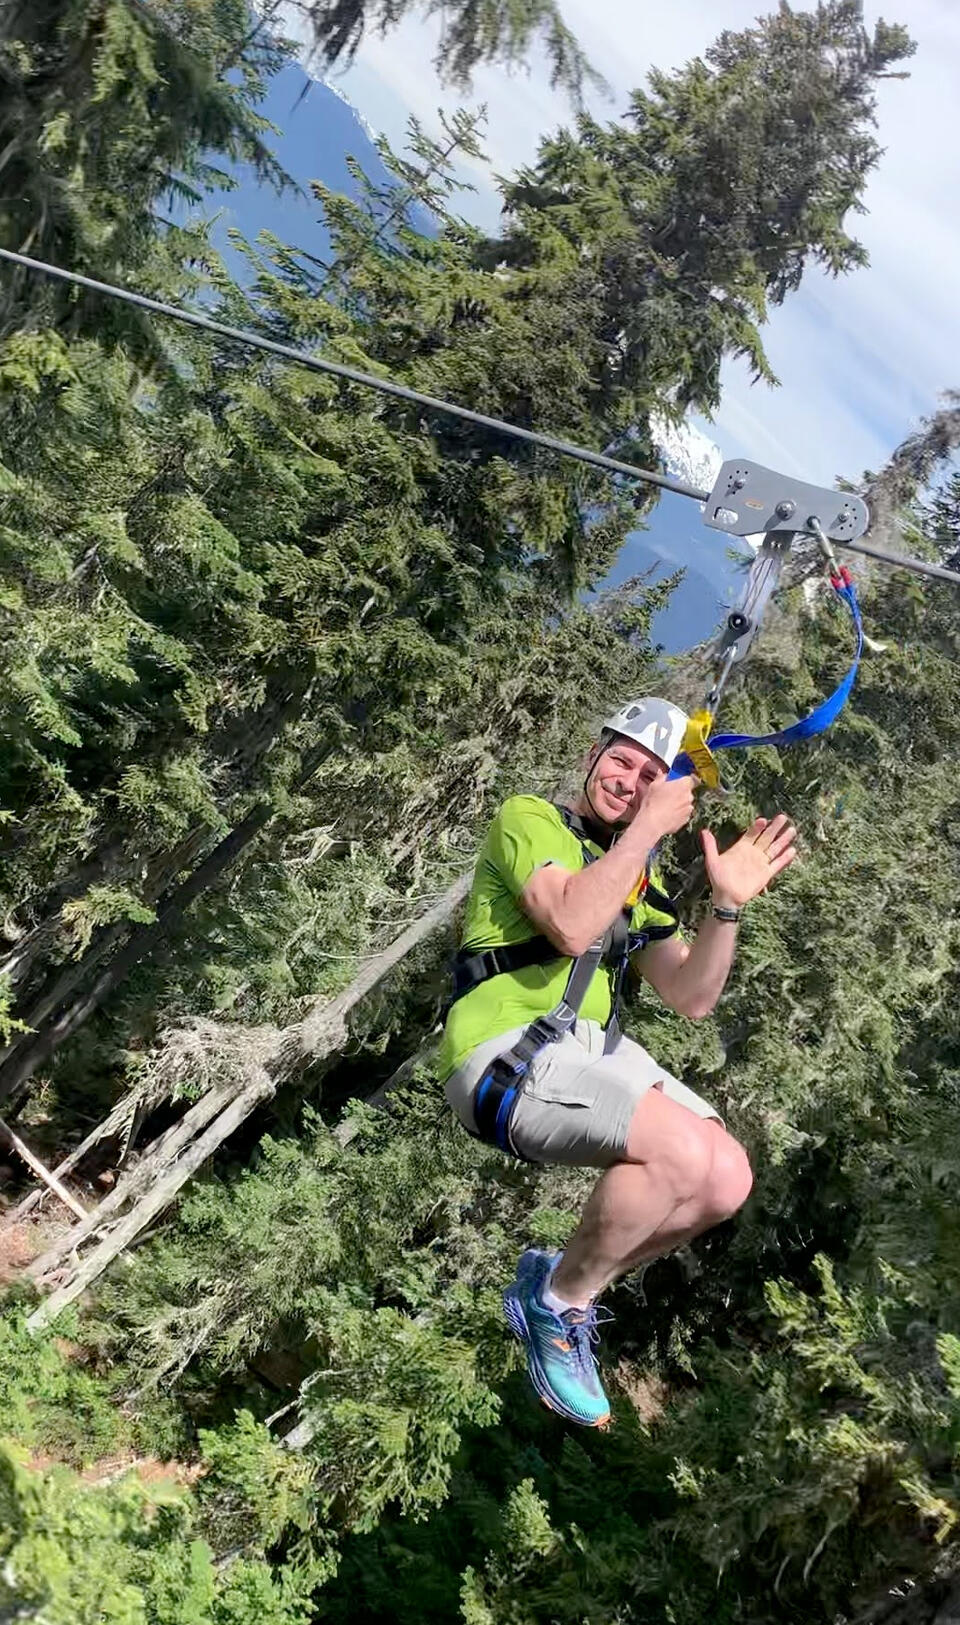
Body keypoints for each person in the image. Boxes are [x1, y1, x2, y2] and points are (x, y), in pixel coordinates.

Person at [441, 697, 797, 1427]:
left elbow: (691, 995)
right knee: (679, 1148)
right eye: (622, 761)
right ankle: (558, 1305)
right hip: (506, 1055)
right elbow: (571, 922)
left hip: (583, 1052)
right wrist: (643, 832)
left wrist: (725, 904)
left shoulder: (637, 881)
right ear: (592, 758)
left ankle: (567, 1287)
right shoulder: (531, 820)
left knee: (726, 1176)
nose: (629, 782)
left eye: (647, 777)